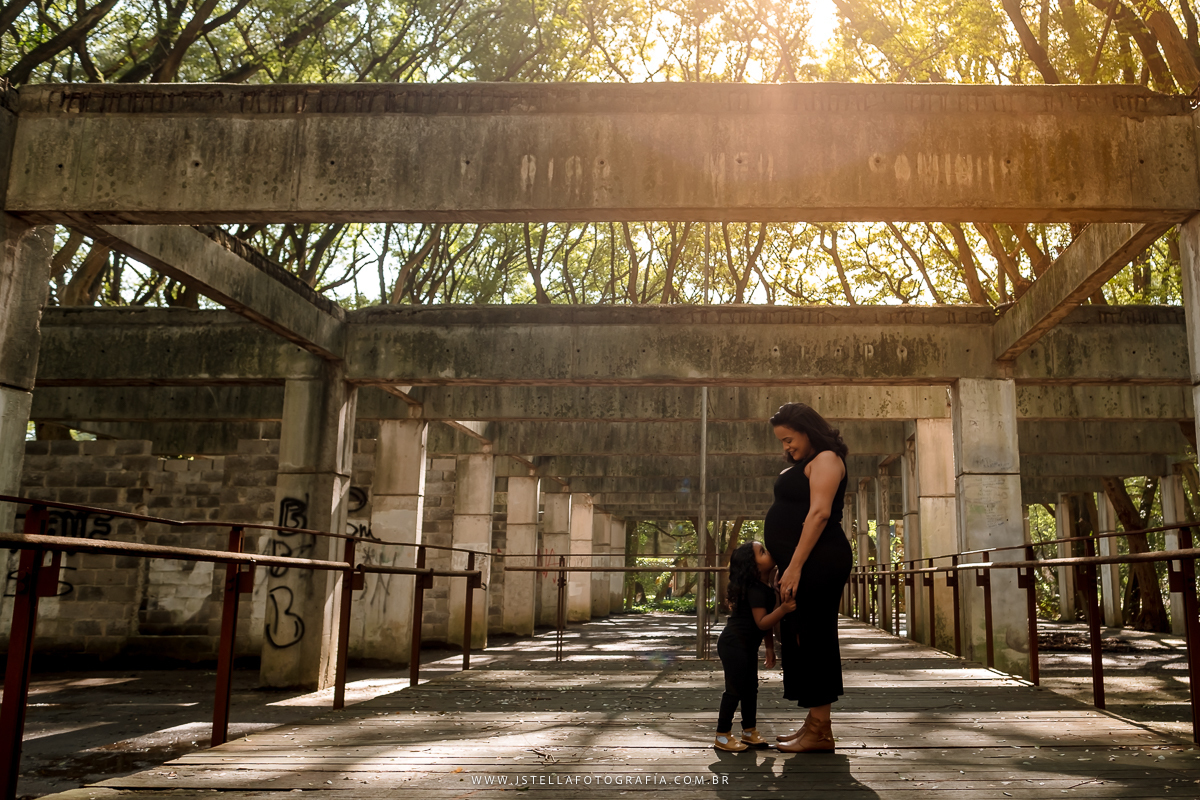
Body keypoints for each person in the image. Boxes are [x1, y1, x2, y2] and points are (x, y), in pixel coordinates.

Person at [763, 402, 853, 754]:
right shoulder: (807, 464)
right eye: (781, 442)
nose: (786, 447)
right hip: (803, 562)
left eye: (788, 439)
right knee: (801, 636)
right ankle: (814, 725)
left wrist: (795, 566)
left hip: (820, 560)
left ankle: (820, 730)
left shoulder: (828, 459)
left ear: (806, 430)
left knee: (814, 637)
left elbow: (818, 514)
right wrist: (784, 564)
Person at [713, 541, 796, 752]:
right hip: (734, 645)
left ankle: (749, 731)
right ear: (754, 566)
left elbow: (765, 623)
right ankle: (722, 734)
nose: (769, 553)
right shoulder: (755, 590)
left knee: (750, 688)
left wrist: (769, 647)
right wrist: (784, 609)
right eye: (763, 552)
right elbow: (762, 622)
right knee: (734, 689)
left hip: (746, 645)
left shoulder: (765, 588)